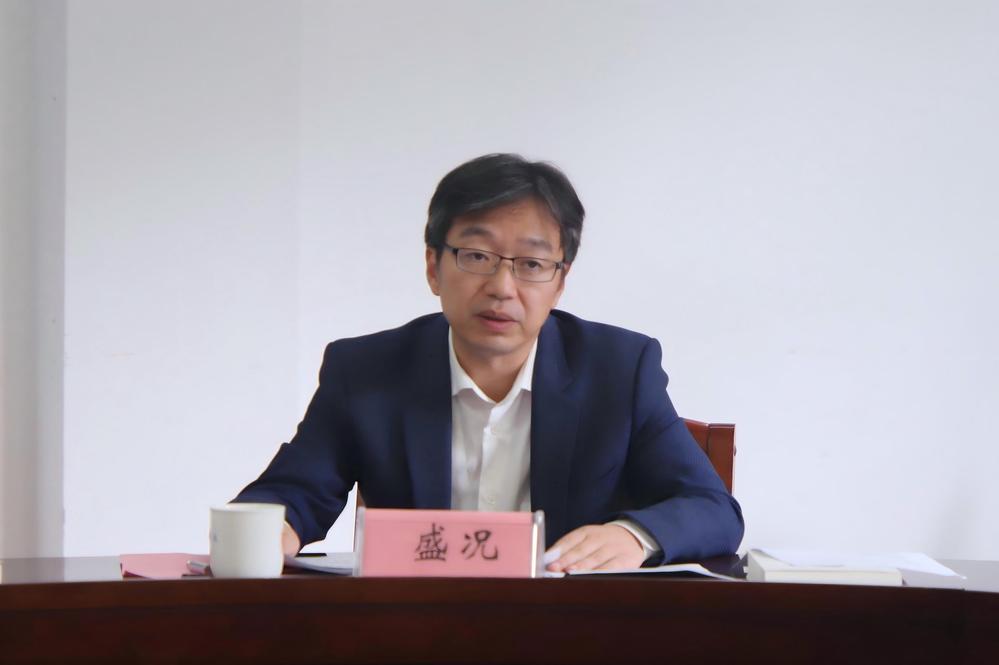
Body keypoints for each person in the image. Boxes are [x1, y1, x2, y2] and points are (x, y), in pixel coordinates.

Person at [234, 153, 743, 572]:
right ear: (433, 267)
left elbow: (711, 508)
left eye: (531, 264)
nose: (502, 287)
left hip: (570, 634)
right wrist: (272, 529)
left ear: (559, 283)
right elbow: (294, 491)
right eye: (477, 256)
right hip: (417, 632)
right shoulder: (366, 370)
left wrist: (633, 536)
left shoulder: (619, 370)